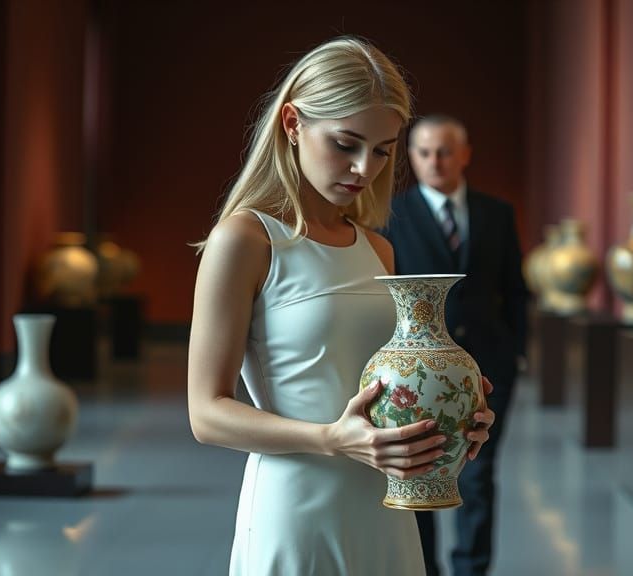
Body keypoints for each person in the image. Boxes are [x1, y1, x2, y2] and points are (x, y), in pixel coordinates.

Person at [186, 38, 496, 575]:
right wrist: (331, 439)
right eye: (346, 143)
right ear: (292, 124)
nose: (363, 168)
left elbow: (387, 388)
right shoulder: (245, 239)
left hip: (387, 505)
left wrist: (453, 413)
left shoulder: (378, 249)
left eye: (381, 149)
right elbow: (206, 415)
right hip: (296, 505)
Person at [384, 115, 527, 576]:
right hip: (420, 375)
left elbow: (516, 289)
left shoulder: (496, 213)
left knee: (480, 472)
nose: (434, 161)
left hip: (491, 364)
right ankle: (424, 569)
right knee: (422, 470)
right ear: (412, 156)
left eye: (444, 151)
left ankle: (472, 569)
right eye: (424, 152)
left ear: (464, 154)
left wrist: (518, 351)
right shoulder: (392, 216)